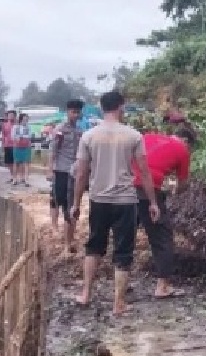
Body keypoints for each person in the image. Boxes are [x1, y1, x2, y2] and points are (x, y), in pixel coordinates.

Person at [71, 90, 160, 316]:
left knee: (93, 246)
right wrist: (153, 202)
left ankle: (86, 293)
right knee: (123, 251)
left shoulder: (89, 136)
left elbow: (81, 173)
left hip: (98, 199)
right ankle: (118, 304)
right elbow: (145, 172)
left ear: (101, 108)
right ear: (121, 107)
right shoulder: (133, 135)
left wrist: (76, 203)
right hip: (125, 201)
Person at [131, 124, 195, 299]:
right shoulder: (182, 149)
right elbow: (182, 184)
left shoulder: (149, 136)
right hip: (148, 191)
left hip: (124, 187)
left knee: (126, 234)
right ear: (186, 141)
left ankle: (122, 281)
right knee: (162, 237)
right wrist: (173, 191)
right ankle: (163, 286)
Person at [50, 101, 84, 249]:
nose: (75, 115)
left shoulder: (79, 131)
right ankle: (55, 227)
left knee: (72, 204)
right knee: (58, 199)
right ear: (67, 112)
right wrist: (49, 169)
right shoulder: (60, 129)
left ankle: (68, 240)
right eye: (73, 112)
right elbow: (53, 150)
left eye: (78, 112)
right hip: (61, 170)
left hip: (74, 171)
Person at [11, 113, 33, 186]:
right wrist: (18, 138)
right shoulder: (15, 127)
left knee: (26, 163)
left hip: (26, 146)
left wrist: (24, 138)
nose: (25, 120)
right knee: (16, 163)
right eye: (24, 119)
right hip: (17, 146)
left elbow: (29, 136)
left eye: (27, 119)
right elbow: (13, 136)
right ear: (21, 119)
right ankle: (14, 179)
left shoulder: (29, 127)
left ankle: (26, 179)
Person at [1, 110, 17, 183]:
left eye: (12, 115)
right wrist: (3, 145)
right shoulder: (4, 125)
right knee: (9, 162)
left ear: (15, 116)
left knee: (15, 162)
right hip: (7, 145)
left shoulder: (17, 124)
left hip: (16, 145)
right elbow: (3, 135)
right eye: (9, 115)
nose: (11, 116)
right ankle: (11, 176)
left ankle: (15, 177)